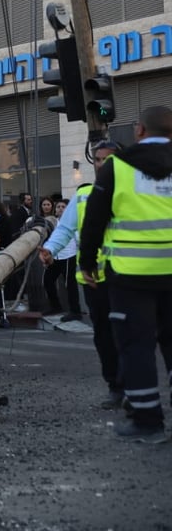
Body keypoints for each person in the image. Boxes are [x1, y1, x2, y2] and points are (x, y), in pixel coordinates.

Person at [79, 106, 172, 443]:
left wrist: (86, 262)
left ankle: (149, 422)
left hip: (131, 274)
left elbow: (94, 221)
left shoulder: (116, 168)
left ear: (139, 131)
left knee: (137, 347)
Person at [40, 140, 123, 406]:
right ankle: (115, 386)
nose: (101, 165)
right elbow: (65, 229)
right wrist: (50, 249)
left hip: (128, 277)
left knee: (130, 334)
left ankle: (136, 388)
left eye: (107, 160)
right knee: (104, 335)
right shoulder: (84, 195)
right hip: (94, 279)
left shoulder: (133, 190)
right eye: (97, 160)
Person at [40, 196, 82, 321]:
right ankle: (56, 306)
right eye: (58, 207)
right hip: (55, 257)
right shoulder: (53, 222)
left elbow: (77, 238)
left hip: (69, 256)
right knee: (47, 280)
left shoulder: (72, 222)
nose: (60, 209)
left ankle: (75, 311)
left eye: (63, 207)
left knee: (70, 285)